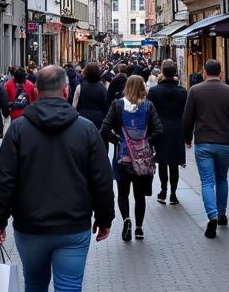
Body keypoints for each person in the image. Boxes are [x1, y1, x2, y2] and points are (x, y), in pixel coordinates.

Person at [0, 65, 114, 292]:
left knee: (35, 284)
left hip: (30, 226)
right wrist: (105, 217)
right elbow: (102, 179)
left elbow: (4, 179)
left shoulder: (18, 130)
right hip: (73, 226)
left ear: (35, 90)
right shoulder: (86, 130)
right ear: (66, 91)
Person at [100, 75, 162, 242]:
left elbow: (104, 129)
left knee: (122, 192)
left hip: (123, 156)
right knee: (139, 194)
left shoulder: (117, 105)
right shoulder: (148, 105)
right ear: (143, 86)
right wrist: (146, 142)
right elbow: (159, 129)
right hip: (142, 157)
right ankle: (139, 228)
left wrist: (119, 141)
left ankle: (126, 219)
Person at [182, 59, 229, 239]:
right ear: (221, 73)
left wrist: (187, 138)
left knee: (207, 181)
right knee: (222, 179)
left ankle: (212, 215)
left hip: (203, 142)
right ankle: (221, 215)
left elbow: (187, 117)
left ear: (204, 73)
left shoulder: (195, 90)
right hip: (224, 142)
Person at [147, 59, 187, 205]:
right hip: (177, 130)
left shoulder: (154, 91)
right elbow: (186, 113)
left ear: (162, 72)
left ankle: (163, 191)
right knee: (174, 163)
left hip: (160, 130)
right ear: (175, 73)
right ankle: (173, 194)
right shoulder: (182, 92)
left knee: (162, 161)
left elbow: (149, 112)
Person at [72, 62, 108, 129]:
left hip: (82, 117)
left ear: (86, 72)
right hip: (98, 117)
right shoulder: (103, 88)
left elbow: (74, 106)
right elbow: (105, 105)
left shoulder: (79, 87)